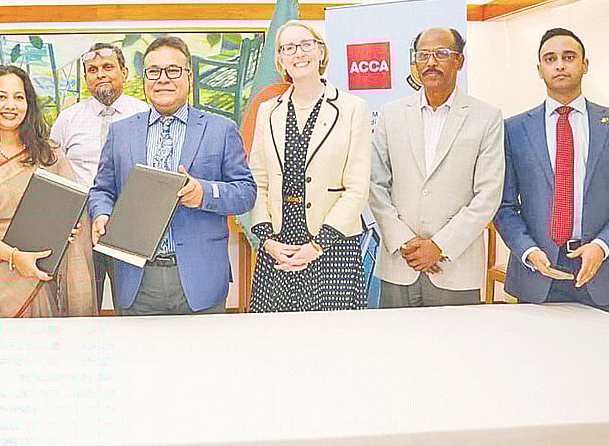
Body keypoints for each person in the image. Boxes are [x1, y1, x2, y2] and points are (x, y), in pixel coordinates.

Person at [90, 36, 256, 315]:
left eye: (173, 70)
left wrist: (204, 193)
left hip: (199, 279)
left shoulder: (221, 129)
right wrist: (102, 213)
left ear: (189, 76)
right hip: (136, 278)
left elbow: (246, 192)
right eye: (154, 71)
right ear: (144, 79)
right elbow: (102, 190)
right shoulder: (121, 132)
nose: (163, 79)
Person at [494, 28, 609, 316]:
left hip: (600, 273)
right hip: (537, 274)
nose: (560, 65)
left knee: (606, 347)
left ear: (584, 64)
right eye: (550, 59)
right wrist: (528, 251)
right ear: (539, 70)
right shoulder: (513, 129)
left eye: (569, 57)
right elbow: (503, 206)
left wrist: (601, 247)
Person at [369, 27, 504, 307]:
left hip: (455, 267)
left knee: (454, 337)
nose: (431, 62)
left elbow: (488, 195)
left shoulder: (486, 117)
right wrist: (405, 242)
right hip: (400, 264)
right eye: (423, 55)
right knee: (395, 336)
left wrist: (440, 246)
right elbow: (375, 184)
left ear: (459, 61)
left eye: (441, 54)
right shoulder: (391, 114)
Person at [0, 65, 95, 318]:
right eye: (1, 97)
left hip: (41, 274)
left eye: (19, 97)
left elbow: (71, 208)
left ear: (28, 104)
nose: (11, 105)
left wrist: (68, 227)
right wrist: (14, 257)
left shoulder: (48, 153)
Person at [247, 21, 370, 311]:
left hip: (332, 246)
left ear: (321, 51)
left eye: (306, 44)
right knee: (276, 334)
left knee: (331, 334)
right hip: (279, 247)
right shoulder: (268, 111)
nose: (298, 53)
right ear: (279, 59)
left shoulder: (353, 109)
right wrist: (267, 240)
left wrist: (317, 246)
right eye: (288, 48)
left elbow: (357, 188)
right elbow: (258, 180)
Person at [50, 43, 149, 308]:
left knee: (132, 307)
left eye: (107, 67)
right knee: (82, 306)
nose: (100, 74)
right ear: (86, 78)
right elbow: (51, 172)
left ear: (124, 72)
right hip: (81, 226)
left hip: (131, 226)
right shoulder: (68, 120)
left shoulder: (145, 115)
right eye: (92, 70)